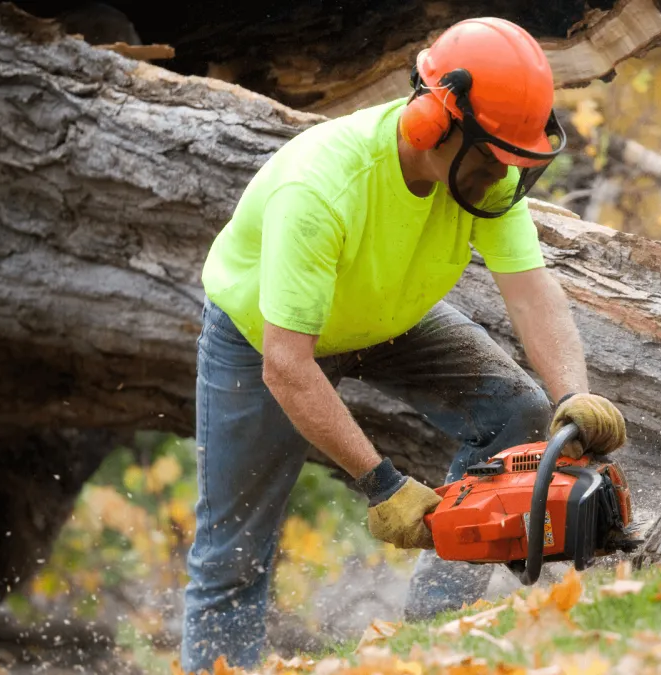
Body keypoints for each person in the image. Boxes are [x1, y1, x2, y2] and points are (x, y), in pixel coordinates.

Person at [178, 16, 629, 673]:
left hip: (388, 317)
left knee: (516, 411)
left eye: (514, 160)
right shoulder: (322, 190)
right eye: (491, 157)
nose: (502, 176)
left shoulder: (486, 174)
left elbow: (533, 292)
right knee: (232, 557)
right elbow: (287, 364)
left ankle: (433, 640)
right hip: (264, 338)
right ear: (432, 124)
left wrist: (573, 395)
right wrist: (382, 484)